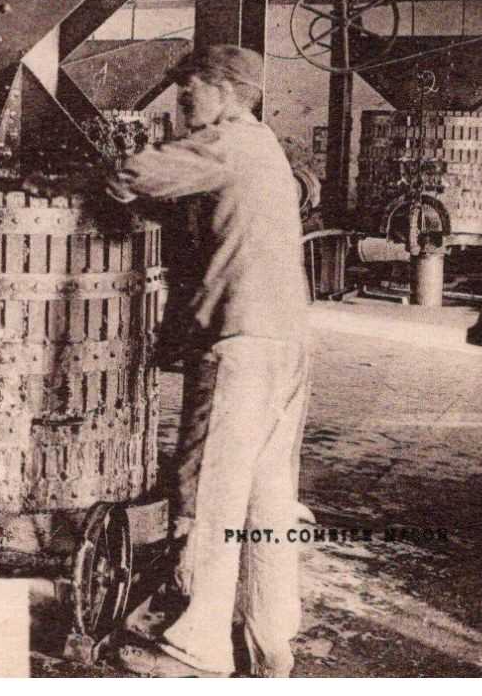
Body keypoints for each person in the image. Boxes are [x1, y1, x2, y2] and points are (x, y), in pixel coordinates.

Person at [105, 45, 312, 679]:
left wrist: (100, 174)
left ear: (225, 94)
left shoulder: (227, 143)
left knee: (215, 492)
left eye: (189, 95)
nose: (182, 107)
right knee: (269, 498)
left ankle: (196, 647)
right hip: (288, 343)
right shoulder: (265, 148)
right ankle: (271, 640)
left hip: (241, 342)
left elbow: (131, 176)